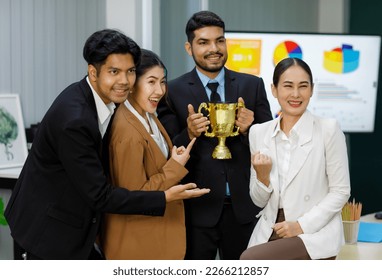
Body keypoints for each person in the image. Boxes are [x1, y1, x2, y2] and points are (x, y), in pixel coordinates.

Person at [4, 29, 209, 260]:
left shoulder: (105, 101)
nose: (124, 81)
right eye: (114, 72)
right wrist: (164, 197)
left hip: (78, 222)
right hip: (50, 228)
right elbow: (100, 195)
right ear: (93, 72)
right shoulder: (76, 120)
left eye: (130, 71)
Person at [157, 11, 272, 260]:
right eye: (204, 42)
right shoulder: (172, 91)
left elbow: (273, 147)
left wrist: (250, 130)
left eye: (219, 40)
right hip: (196, 210)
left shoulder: (252, 85)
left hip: (246, 208)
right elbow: (164, 150)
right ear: (189, 48)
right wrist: (188, 133)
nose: (214, 48)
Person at [240, 57, 351, 260]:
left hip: (313, 231)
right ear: (274, 90)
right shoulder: (258, 132)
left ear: (311, 89)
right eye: (288, 86)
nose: (296, 94)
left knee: (250, 260)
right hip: (272, 226)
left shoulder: (328, 129)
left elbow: (341, 191)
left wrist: (300, 226)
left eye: (303, 86)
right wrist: (262, 176)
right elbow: (258, 200)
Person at [101, 49, 196, 260]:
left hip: (154, 235)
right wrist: (175, 167)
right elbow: (134, 196)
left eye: (163, 82)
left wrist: (172, 159)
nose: (160, 90)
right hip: (137, 243)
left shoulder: (148, 115)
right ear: (133, 83)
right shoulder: (126, 131)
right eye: (151, 82)